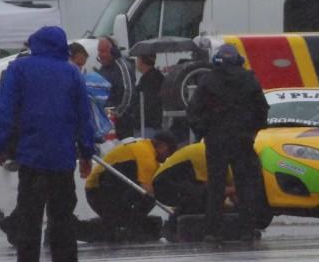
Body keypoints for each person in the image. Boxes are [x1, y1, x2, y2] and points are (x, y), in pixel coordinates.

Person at [0, 26, 95, 262]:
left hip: (32, 159)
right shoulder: (72, 72)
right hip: (62, 160)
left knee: (29, 220)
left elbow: (5, 110)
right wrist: (86, 152)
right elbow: (85, 115)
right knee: (62, 220)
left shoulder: (20, 69)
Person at [187, 43, 269, 244]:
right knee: (245, 186)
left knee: (216, 186)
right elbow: (262, 109)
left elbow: (194, 110)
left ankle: (212, 231)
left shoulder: (208, 80)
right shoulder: (249, 79)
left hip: (216, 141)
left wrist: (203, 132)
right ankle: (248, 230)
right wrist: (252, 131)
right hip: (242, 141)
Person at [82, 131, 178, 240]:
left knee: (142, 196)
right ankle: (127, 226)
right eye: (170, 151)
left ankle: (119, 224)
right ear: (163, 146)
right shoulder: (146, 155)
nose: (169, 156)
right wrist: (175, 214)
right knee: (149, 198)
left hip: (98, 190)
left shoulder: (142, 145)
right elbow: (147, 190)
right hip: (99, 192)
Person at [96, 36, 134, 139]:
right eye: (99, 51)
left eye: (103, 51)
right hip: (106, 124)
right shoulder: (103, 69)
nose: (100, 54)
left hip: (122, 124)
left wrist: (117, 113)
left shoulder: (122, 67)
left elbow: (128, 92)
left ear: (114, 51)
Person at [130, 54, 164, 138]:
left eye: (137, 58)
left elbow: (145, 103)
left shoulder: (148, 80)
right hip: (154, 123)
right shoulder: (157, 76)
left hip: (146, 125)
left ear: (141, 61)